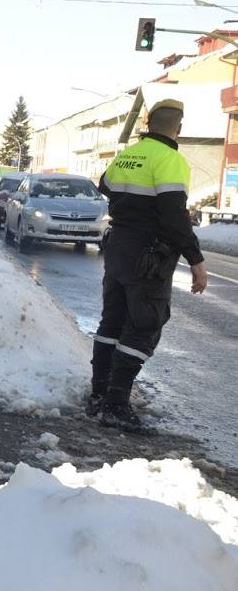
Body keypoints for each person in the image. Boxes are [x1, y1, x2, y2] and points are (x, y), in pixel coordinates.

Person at [88, 98, 208, 432]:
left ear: (148, 125)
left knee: (112, 321)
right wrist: (195, 259)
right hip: (148, 254)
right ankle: (115, 405)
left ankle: (98, 396)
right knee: (142, 325)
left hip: (118, 247)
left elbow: (106, 185)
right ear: (177, 129)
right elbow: (173, 216)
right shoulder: (171, 160)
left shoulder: (126, 155)